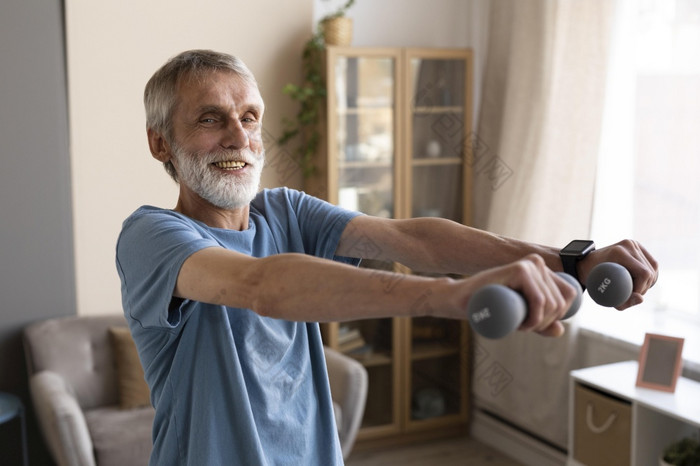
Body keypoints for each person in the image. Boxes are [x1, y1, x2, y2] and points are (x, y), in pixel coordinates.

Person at [116, 49, 657, 465]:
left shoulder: (285, 213)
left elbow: (413, 239)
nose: (240, 137)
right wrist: (446, 297)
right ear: (161, 143)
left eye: (251, 118)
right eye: (212, 119)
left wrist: (569, 260)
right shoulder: (152, 236)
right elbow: (261, 286)